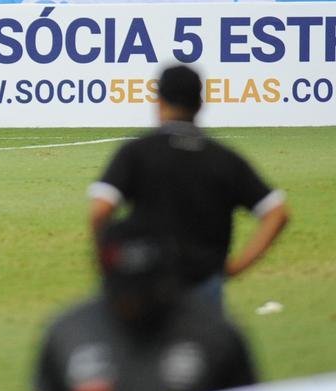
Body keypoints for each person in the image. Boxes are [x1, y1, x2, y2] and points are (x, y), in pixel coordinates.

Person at [88, 64, 289, 310]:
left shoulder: (137, 152)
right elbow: (277, 213)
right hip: (204, 282)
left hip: (147, 279)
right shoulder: (224, 158)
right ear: (201, 103)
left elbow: (100, 211)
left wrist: (108, 261)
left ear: (159, 102)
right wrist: (236, 266)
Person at [31, 217, 257, 391]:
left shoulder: (215, 335)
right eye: (126, 294)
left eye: (147, 292)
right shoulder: (68, 333)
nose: (136, 303)